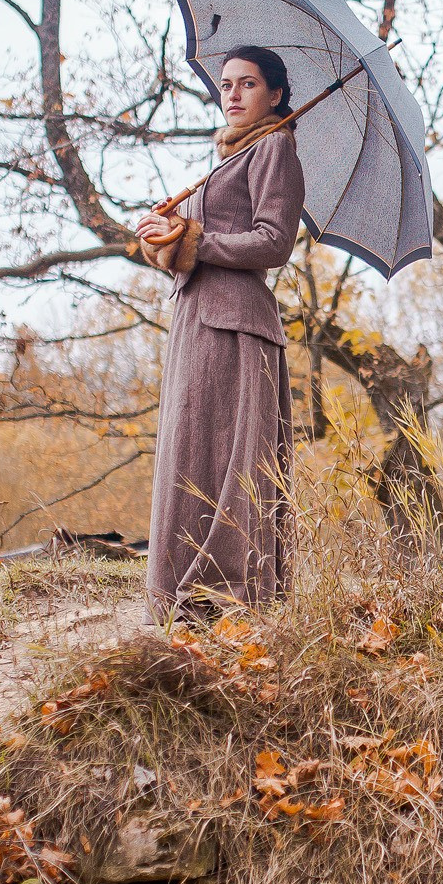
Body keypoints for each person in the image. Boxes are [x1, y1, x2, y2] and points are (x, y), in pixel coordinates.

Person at [134, 46, 306, 621]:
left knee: (231, 456)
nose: (232, 94)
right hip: (198, 317)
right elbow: (196, 242)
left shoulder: (275, 145)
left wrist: (193, 238)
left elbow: (273, 241)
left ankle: (224, 592)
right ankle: (184, 589)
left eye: (248, 84)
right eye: (227, 84)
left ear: (275, 94)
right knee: (191, 449)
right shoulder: (230, 154)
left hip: (235, 323)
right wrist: (164, 237)